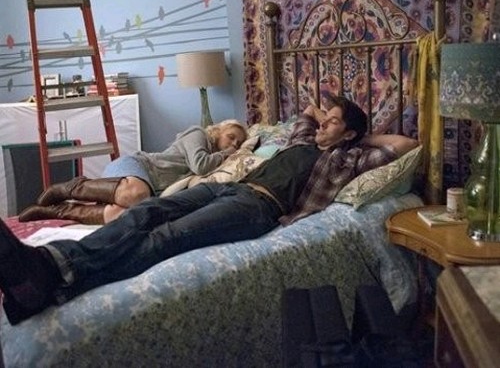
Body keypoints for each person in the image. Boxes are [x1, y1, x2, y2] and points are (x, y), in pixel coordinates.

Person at [0, 96, 418, 325]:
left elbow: (406, 146)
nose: (323, 123)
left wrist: (358, 136)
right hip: (227, 188)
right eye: (326, 120)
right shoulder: (302, 139)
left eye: (334, 122)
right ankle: (51, 264)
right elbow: (308, 111)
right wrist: (331, 119)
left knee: (166, 238)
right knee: (147, 211)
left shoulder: (347, 159)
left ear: (350, 133)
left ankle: (54, 281)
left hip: (258, 207)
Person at [18, 119, 248, 225]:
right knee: (137, 194)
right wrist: (227, 153)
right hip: (137, 166)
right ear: (219, 130)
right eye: (231, 137)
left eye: (238, 143)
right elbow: (200, 164)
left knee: (122, 216)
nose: (234, 144)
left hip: (147, 188)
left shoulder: (219, 163)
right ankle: (66, 188)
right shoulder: (198, 134)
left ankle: (58, 211)